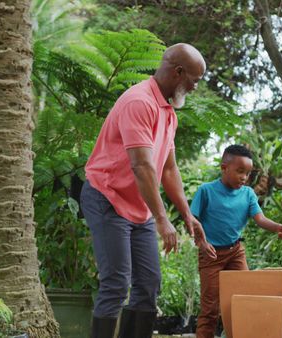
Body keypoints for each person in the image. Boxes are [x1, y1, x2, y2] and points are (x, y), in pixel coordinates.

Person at [81, 43, 216, 338]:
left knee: (148, 284)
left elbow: (168, 169)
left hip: (138, 205)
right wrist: (161, 218)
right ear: (178, 72)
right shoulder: (139, 102)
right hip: (107, 197)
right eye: (194, 79)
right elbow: (142, 166)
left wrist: (186, 215)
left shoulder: (168, 112)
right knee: (116, 282)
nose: (195, 87)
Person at [190, 144, 282, 338]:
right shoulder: (206, 191)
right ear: (224, 168)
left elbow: (260, 219)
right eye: (240, 171)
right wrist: (201, 244)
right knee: (210, 307)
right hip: (210, 255)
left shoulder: (247, 194)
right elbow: (191, 221)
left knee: (243, 298)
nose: (244, 178)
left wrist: (278, 227)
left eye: (247, 173)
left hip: (235, 252)